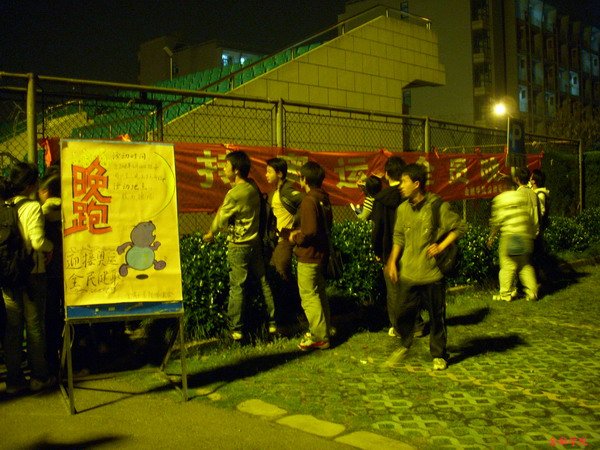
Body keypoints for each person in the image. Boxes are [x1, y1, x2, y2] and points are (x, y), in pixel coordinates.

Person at [384, 163, 467, 370]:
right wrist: (392, 261)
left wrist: (441, 246)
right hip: (409, 273)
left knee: (437, 317)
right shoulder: (402, 209)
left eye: (404, 182)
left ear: (416, 184)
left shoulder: (437, 206)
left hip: (432, 274)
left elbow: (459, 227)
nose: (400, 186)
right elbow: (398, 237)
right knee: (401, 314)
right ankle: (406, 344)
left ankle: (439, 354)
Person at [203, 151, 276, 341]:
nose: (223, 168)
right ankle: (272, 323)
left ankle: (236, 329)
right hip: (254, 242)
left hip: (238, 245)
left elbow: (221, 218)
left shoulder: (235, 194)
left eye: (226, 166)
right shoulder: (252, 185)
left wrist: (211, 233)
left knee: (237, 287)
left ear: (235, 170)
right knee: (263, 281)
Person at [2, 162, 55, 394]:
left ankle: (14, 380)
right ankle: (39, 377)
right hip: (33, 274)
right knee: (34, 327)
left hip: (8, 275)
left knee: (12, 328)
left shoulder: (4, 205)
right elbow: (37, 242)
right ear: (30, 185)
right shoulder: (32, 207)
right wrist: (51, 247)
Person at [289, 161, 332, 351]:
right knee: (319, 294)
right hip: (321, 254)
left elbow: (310, 231)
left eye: (300, 177)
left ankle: (319, 336)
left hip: (308, 255)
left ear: (304, 179)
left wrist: (295, 237)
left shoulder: (308, 200)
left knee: (309, 296)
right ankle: (324, 329)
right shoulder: (323, 198)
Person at [265, 158, 304, 327]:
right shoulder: (277, 190)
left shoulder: (287, 189)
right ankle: (292, 314)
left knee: (282, 276)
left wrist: (295, 228)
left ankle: (292, 317)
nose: (266, 175)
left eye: (269, 171)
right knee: (280, 276)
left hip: (285, 241)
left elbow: (304, 202)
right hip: (278, 240)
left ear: (279, 173)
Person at [488, 174, 538, 302]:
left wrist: (491, 236)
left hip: (510, 235)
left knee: (507, 265)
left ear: (502, 186)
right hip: (525, 235)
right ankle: (532, 292)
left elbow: (497, 221)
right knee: (524, 265)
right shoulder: (520, 196)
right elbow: (529, 216)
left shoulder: (500, 199)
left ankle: (505, 293)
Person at [38, 168, 63, 376]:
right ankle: (78, 360)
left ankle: (52, 362)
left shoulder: (42, 214)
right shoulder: (71, 210)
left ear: (46, 191)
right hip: (70, 271)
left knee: (50, 316)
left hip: (49, 273)